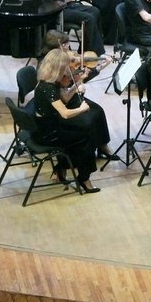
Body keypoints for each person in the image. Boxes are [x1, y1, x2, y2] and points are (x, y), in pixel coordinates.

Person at [32, 49, 103, 194]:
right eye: (64, 67)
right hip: (48, 134)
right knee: (86, 136)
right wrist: (81, 109)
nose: (67, 70)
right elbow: (65, 114)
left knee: (82, 130)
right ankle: (84, 179)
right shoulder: (49, 88)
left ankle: (61, 169)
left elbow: (64, 99)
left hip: (47, 125)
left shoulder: (47, 81)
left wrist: (78, 82)